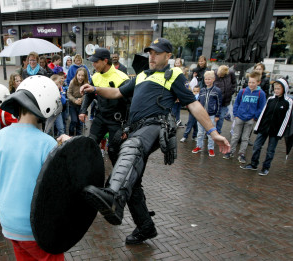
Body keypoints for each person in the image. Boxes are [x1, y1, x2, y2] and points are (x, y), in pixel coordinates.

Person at [73, 38, 229, 245]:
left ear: (168, 56)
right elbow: (118, 92)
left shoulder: (174, 75)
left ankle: (112, 195)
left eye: (156, 53)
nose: (152, 56)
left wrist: (213, 132)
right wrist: (95, 90)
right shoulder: (141, 76)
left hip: (157, 125)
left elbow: (193, 105)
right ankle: (145, 226)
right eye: (150, 53)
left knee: (132, 146)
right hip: (136, 128)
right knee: (133, 181)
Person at [0, 75, 64, 260]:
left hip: (10, 224)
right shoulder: (47, 143)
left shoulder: (0, 136)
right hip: (37, 229)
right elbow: (56, 190)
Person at [79, 48, 130, 165]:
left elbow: (130, 104)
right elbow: (89, 94)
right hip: (100, 117)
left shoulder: (122, 78)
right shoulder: (96, 76)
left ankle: (118, 179)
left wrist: (127, 126)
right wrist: (83, 111)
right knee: (90, 145)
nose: (93, 64)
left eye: (96, 61)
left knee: (113, 151)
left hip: (117, 121)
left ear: (105, 61)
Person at [241, 78, 291, 176]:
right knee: (256, 146)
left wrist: (280, 133)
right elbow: (263, 113)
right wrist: (257, 127)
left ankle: (266, 167)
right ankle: (254, 164)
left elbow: (287, 118)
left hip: (275, 130)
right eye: (275, 89)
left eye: (278, 89)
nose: (276, 91)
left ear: (284, 89)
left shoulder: (288, 102)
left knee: (270, 150)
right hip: (264, 128)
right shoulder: (270, 99)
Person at [223, 71, 266, 163]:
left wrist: (254, 117)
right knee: (235, 136)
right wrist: (236, 114)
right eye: (249, 82)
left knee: (245, 138)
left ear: (258, 82)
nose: (250, 84)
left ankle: (241, 154)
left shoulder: (261, 94)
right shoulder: (243, 91)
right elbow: (237, 103)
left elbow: (261, 107)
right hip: (240, 117)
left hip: (250, 119)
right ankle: (230, 151)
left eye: (253, 82)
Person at [191, 71, 222, 157]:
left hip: (211, 115)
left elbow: (219, 104)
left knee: (211, 133)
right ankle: (199, 146)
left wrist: (217, 115)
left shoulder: (217, 91)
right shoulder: (202, 90)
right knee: (200, 132)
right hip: (201, 115)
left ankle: (210, 148)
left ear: (213, 79)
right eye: (206, 79)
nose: (207, 81)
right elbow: (199, 102)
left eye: (209, 79)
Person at [213, 65, 236, 134]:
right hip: (215, 101)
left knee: (221, 117)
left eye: (221, 75)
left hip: (225, 100)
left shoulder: (231, 73)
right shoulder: (214, 73)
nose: (219, 76)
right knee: (213, 117)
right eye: (219, 74)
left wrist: (230, 92)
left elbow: (234, 84)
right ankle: (210, 132)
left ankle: (218, 132)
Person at [68, 67, 88, 136]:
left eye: (82, 76)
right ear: (76, 75)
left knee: (80, 123)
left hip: (81, 104)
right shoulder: (72, 82)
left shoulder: (86, 83)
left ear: (85, 76)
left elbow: (87, 94)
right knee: (74, 120)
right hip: (73, 104)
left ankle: (78, 137)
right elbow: (69, 93)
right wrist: (74, 100)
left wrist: (81, 99)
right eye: (79, 75)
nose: (80, 77)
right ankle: (70, 135)